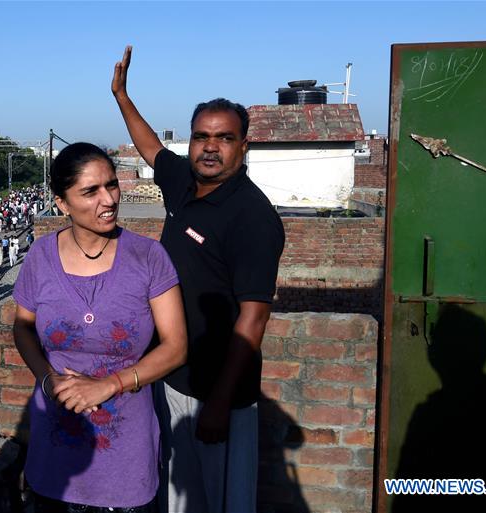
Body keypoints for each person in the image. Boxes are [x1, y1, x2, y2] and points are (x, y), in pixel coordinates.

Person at [112, 45, 285, 513]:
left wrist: (218, 401)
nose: (210, 146)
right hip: (175, 379)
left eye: (224, 138)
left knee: (218, 501)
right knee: (177, 498)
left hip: (217, 393)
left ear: (243, 146)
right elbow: (150, 149)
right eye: (201, 136)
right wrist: (121, 96)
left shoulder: (251, 217)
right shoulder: (186, 183)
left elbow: (252, 320)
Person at [12, 142, 187, 513]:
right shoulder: (41, 258)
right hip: (55, 454)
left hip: (125, 460)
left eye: (111, 185)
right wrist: (48, 379)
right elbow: (23, 327)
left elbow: (176, 347)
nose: (108, 199)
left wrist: (110, 385)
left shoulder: (148, 257)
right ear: (62, 203)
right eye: (90, 192)